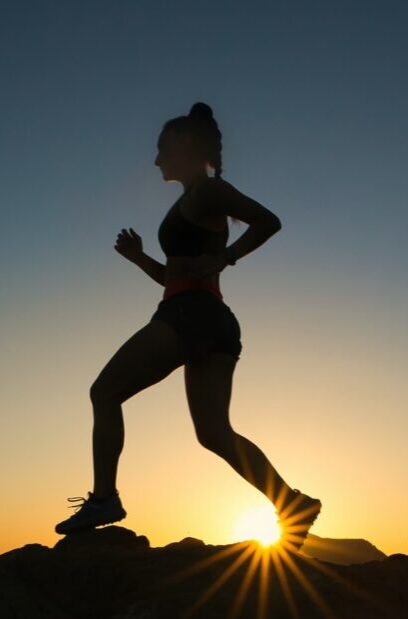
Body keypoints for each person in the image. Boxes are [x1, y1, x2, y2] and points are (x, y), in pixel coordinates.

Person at [55, 102, 321, 550]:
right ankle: (292, 503)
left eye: (162, 149)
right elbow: (176, 276)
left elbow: (268, 221)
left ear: (183, 144)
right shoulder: (192, 199)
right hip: (211, 319)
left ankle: (104, 499)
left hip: (190, 315)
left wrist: (226, 256)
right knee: (214, 433)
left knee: (105, 392)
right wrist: (140, 258)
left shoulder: (206, 193)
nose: (156, 159)